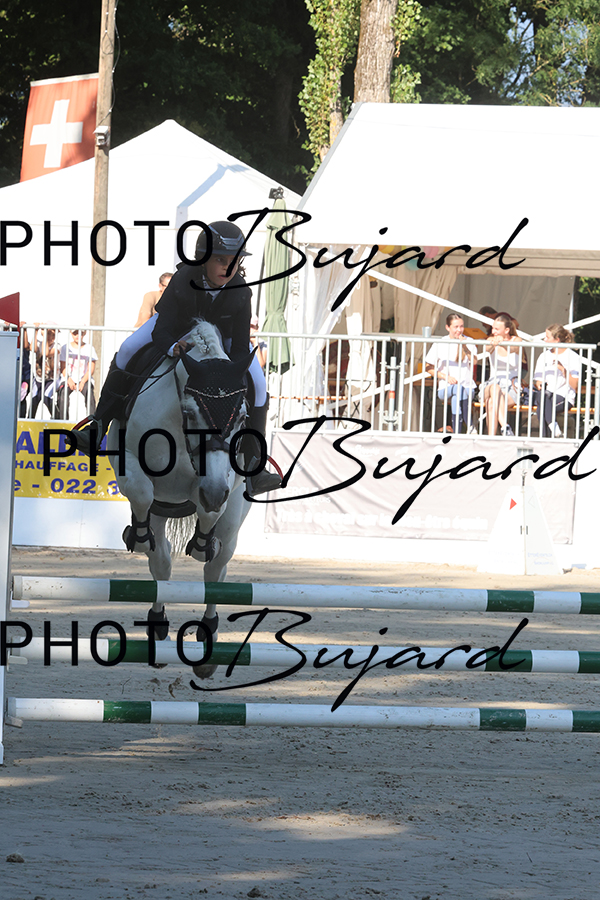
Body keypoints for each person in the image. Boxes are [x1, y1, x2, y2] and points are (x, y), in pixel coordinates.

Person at [73, 220, 280, 496]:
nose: (228, 268)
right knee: (127, 349)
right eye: (220, 260)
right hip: (175, 330)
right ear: (204, 259)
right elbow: (161, 329)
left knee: (259, 382)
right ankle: (98, 426)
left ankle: (255, 461)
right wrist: (172, 347)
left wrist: (228, 369)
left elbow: (241, 345)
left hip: (224, 339)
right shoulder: (183, 279)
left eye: (234, 261)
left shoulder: (242, 290)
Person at [425, 314, 478, 433]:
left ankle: (457, 432)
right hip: (445, 387)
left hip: (467, 386)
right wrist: (445, 377)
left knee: (456, 397)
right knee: (458, 389)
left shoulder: (469, 341)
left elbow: (474, 361)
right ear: (447, 327)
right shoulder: (440, 343)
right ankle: (469, 425)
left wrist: (465, 347)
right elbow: (428, 367)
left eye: (461, 326)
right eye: (456, 327)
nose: (459, 330)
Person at [532, 323, 580, 438]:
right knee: (543, 397)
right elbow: (537, 381)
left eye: (547, 337)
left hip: (563, 396)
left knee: (542, 405)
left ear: (557, 339)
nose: (544, 339)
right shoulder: (544, 355)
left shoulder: (572, 356)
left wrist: (563, 370)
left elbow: (575, 385)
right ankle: (554, 430)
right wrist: (540, 384)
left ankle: (545, 438)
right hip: (546, 394)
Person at [482, 313, 523, 436]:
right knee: (495, 388)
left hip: (511, 386)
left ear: (506, 330)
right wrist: (493, 344)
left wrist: (503, 343)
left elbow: (515, 348)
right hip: (492, 384)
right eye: (493, 328)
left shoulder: (516, 340)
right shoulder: (490, 339)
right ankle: (505, 426)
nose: (493, 331)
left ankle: (491, 438)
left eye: (496, 329)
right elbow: (487, 349)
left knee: (491, 403)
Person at [56, 329, 97, 421]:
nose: (78, 335)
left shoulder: (90, 348)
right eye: (75, 333)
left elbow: (91, 369)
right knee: (63, 394)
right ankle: (63, 421)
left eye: (80, 333)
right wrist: (68, 379)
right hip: (68, 378)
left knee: (89, 394)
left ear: (84, 333)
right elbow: (63, 367)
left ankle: (92, 421)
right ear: (71, 333)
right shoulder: (65, 347)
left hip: (84, 379)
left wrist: (82, 381)